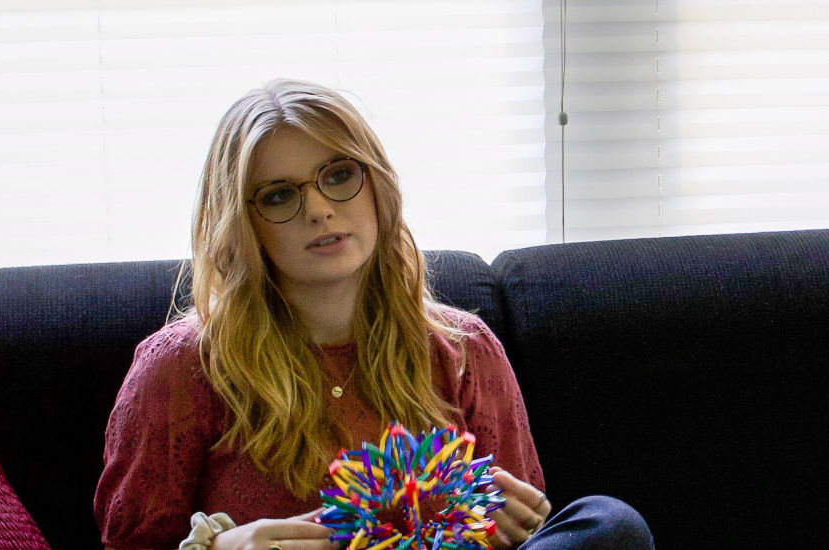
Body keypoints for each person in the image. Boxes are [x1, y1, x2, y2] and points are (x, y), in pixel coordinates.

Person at [94, 79, 654, 550]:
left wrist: (505, 524)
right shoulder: (182, 367)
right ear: (243, 225)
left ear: (377, 185)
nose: (319, 209)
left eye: (339, 175)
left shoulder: (465, 350)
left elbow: (527, 527)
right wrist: (221, 547)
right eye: (279, 195)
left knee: (609, 523)